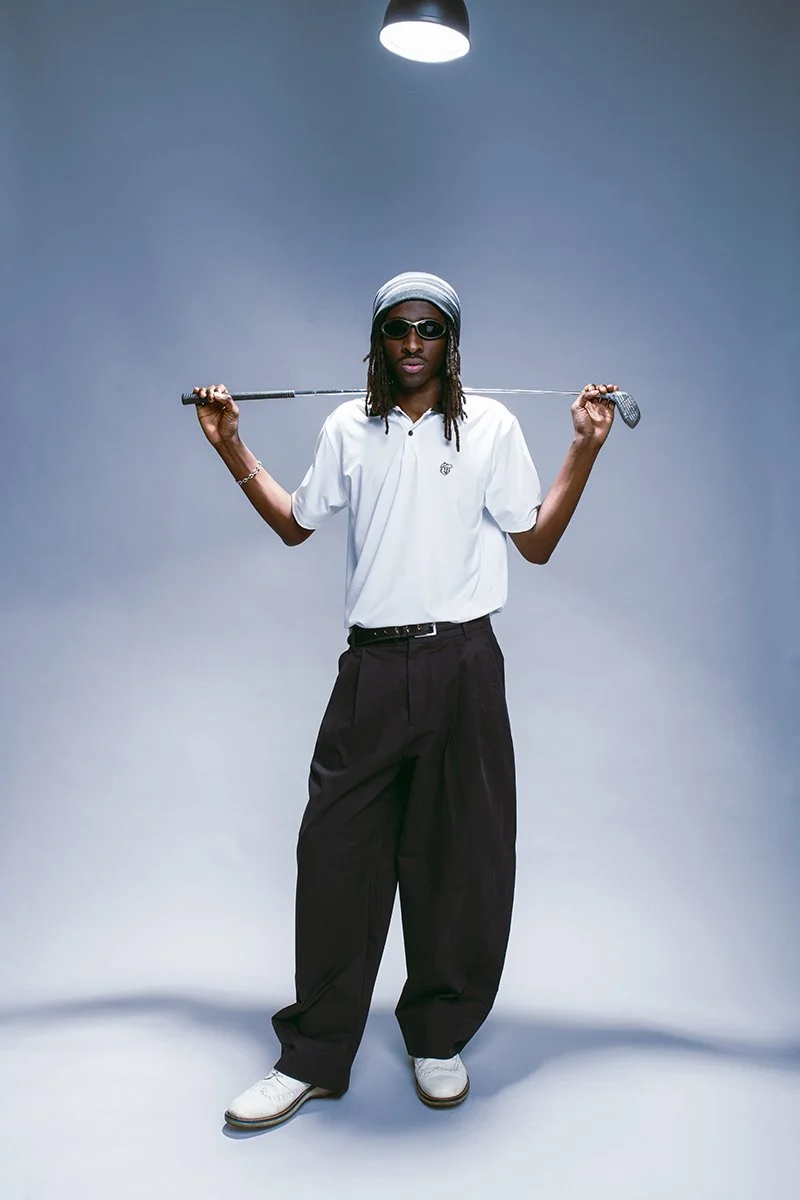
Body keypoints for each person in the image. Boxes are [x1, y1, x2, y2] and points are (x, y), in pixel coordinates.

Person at [192, 271, 618, 1130]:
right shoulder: (347, 427)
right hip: (374, 669)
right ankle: (313, 1055)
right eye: (397, 328)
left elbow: (535, 541)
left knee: (461, 857)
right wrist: (230, 445)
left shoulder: (491, 426)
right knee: (335, 857)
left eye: (429, 328)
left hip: (464, 661)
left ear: (450, 342)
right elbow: (294, 522)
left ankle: (437, 1036)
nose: (413, 342)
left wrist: (585, 448)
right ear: (378, 341)